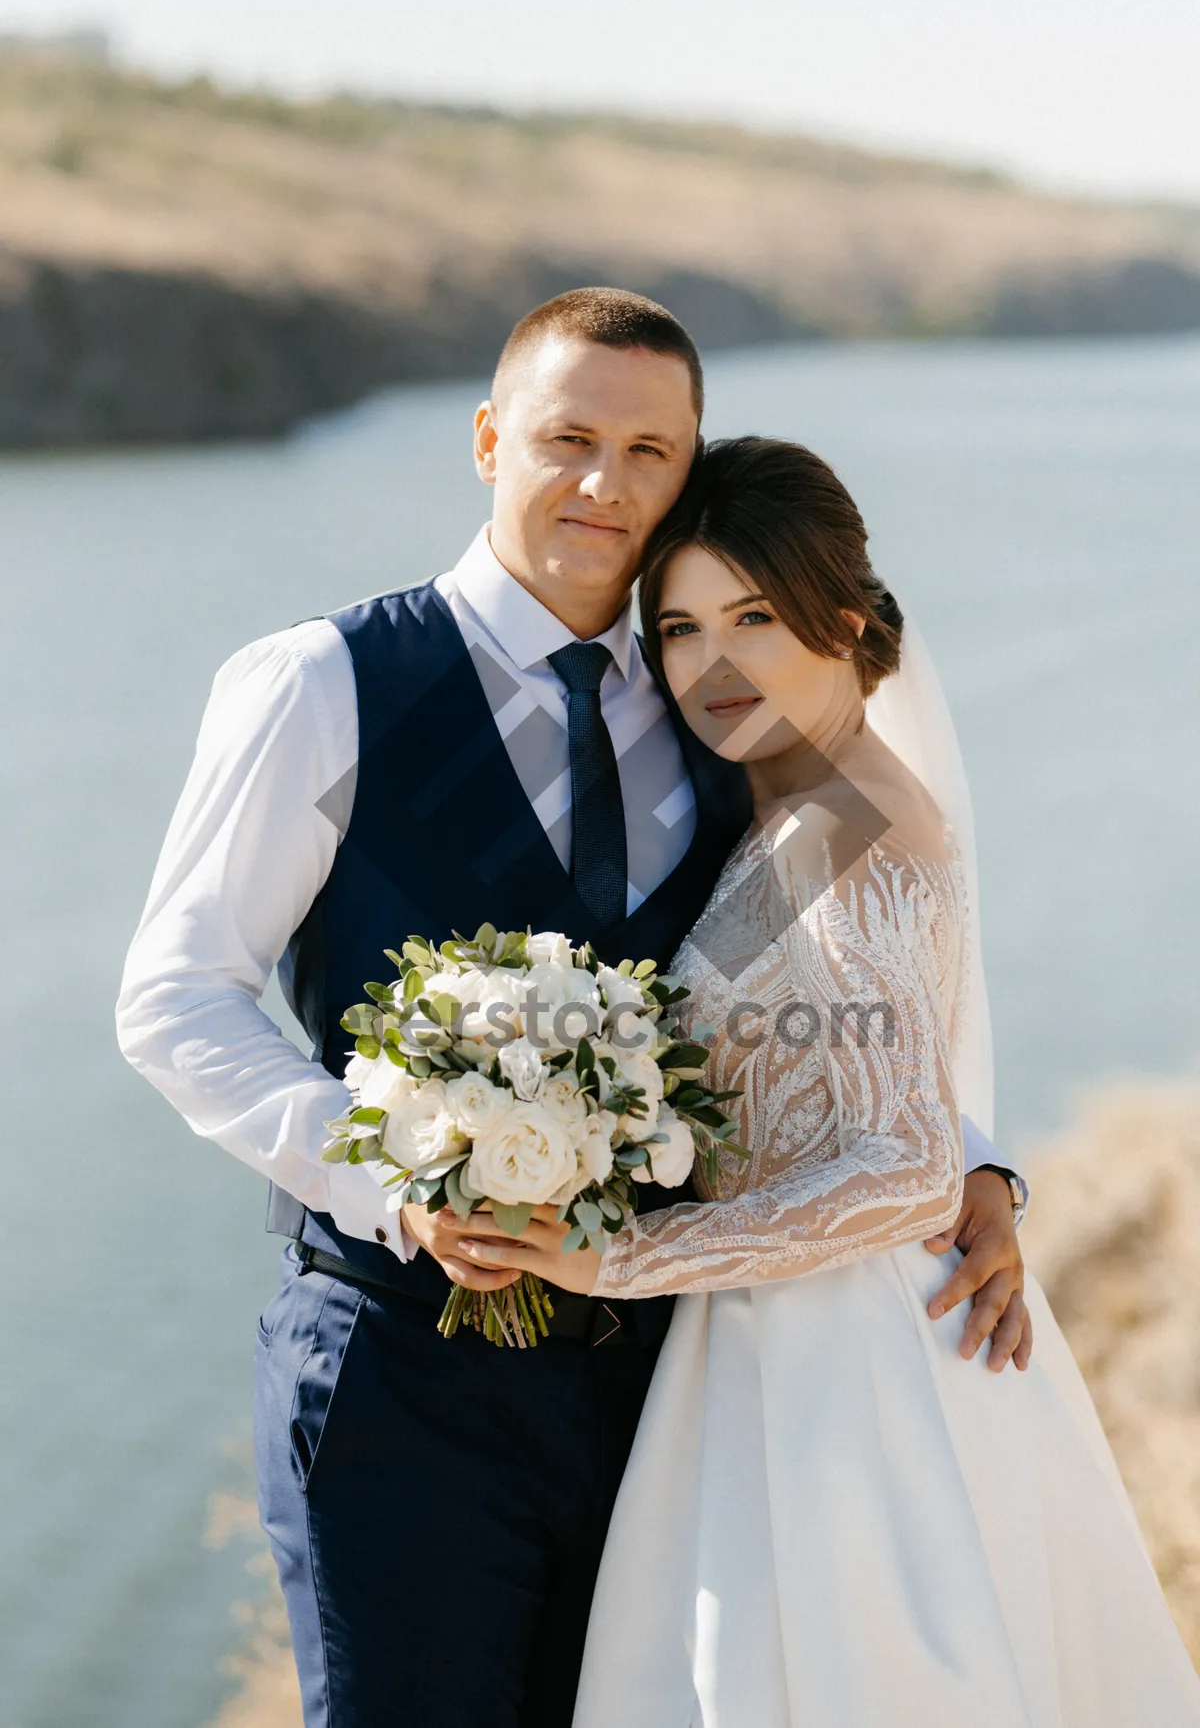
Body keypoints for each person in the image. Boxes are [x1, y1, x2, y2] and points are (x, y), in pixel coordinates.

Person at [116, 292, 1029, 1728]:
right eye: (569, 438)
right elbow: (175, 996)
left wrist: (967, 1155)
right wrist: (391, 1178)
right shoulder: (323, 684)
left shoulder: (718, 688)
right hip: (402, 1377)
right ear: (490, 438)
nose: (606, 484)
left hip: (661, 1394)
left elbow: (817, 970)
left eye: (650, 451)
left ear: (688, 467)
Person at [461, 436, 1200, 1726]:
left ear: (841, 619)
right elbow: (892, 1083)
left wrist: (611, 1261)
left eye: (753, 617)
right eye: (679, 628)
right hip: (772, 1334)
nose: (711, 664)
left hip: (850, 1372)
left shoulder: (849, 825)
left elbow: (905, 1165)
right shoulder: (802, 807)